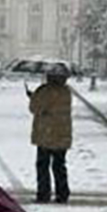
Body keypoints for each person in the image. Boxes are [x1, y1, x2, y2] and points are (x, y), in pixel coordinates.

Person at [27, 66, 73, 203]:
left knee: (43, 165)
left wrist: (32, 96)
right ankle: (62, 193)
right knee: (59, 165)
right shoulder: (66, 92)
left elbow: (35, 108)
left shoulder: (44, 91)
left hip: (45, 135)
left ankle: (43, 193)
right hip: (62, 135)